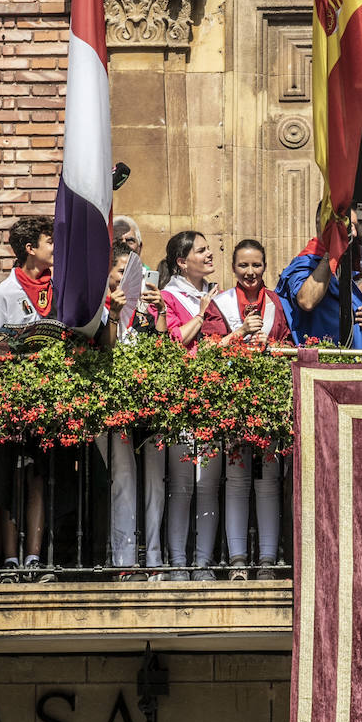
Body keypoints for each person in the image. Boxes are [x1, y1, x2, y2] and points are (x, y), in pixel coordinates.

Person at [201, 239, 289, 578]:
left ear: (265, 266)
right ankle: (238, 559)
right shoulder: (221, 304)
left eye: (256, 265)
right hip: (232, 400)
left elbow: (288, 344)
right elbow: (207, 350)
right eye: (243, 266)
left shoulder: (276, 303)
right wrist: (240, 333)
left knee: (268, 479)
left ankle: (267, 561)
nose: (250, 272)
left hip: (267, 399)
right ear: (234, 268)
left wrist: (273, 347)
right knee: (237, 479)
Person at [0, 216, 56, 582]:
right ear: (30, 248)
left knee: (37, 479)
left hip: (47, 403)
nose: (54, 248)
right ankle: (10, 558)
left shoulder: (59, 288)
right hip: (12, 402)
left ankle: (34, 557)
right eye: (50, 241)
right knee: (10, 478)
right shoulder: (4, 293)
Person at [96, 242, 166, 578]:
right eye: (121, 270)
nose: (126, 277)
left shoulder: (143, 313)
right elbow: (104, 352)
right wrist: (112, 312)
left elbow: (162, 351)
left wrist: (162, 312)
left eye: (130, 271)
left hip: (146, 410)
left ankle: (152, 558)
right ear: (107, 273)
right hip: (110, 411)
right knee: (122, 478)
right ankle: (124, 560)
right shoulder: (96, 308)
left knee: (154, 482)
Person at [160, 230, 223, 580]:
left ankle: (202, 563)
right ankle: (177, 563)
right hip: (182, 398)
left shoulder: (215, 294)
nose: (209, 254)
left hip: (212, 397)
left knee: (208, 484)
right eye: (201, 251)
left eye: (209, 249)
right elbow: (174, 343)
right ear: (182, 261)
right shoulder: (169, 296)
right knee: (182, 483)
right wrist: (199, 315)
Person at [276, 208, 362, 347]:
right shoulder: (306, 263)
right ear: (323, 225)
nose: (354, 233)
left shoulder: (340, 263)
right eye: (348, 226)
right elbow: (307, 301)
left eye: (354, 227)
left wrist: (360, 313)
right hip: (325, 361)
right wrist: (332, 250)